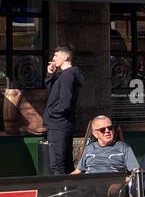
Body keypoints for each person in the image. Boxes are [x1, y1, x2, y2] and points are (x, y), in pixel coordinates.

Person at [44, 45, 83, 176]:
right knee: (63, 161)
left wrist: (51, 113)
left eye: (56, 55)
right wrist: (50, 74)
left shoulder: (68, 76)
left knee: (57, 163)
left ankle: (62, 193)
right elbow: (52, 96)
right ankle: (68, 192)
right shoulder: (64, 75)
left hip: (58, 125)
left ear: (66, 57)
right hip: (61, 124)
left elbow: (65, 103)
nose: (53, 58)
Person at [73, 115, 138, 175]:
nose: (107, 131)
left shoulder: (123, 148)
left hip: (115, 184)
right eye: (102, 129)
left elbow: (135, 173)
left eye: (110, 128)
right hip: (91, 184)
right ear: (95, 134)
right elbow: (77, 171)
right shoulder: (89, 148)